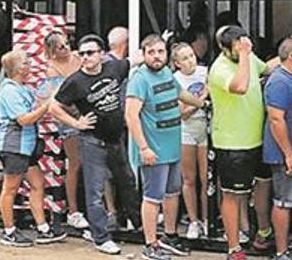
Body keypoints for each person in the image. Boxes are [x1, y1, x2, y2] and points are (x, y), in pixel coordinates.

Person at [50, 34, 142, 255]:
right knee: (95, 191)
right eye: (81, 53)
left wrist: (162, 44)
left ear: (102, 54)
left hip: (115, 139)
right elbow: (53, 106)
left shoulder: (115, 68)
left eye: (90, 53)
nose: (85, 57)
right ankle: (101, 237)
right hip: (92, 141)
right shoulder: (75, 81)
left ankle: (141, 226)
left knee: (127, 182)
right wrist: (76, 123)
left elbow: (135, 59)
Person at [126, 34, 206, 259]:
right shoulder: (139, 79)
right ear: (143, 55)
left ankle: (169, 236)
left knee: (172, 193)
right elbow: (131, 115)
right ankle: (150, 244)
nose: (156, 56)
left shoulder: (167, 74)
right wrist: (143, 148)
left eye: (160, 51)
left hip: (172, 146)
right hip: (153, 150)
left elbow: (179, 93)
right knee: (152, 197)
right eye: (151, 52)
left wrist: (203, 102)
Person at [208, 26, 278, 260]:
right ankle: (234, 247)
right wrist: (246, 55)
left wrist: (289, 54)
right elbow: (240, 86)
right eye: (237, 47)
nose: (243, 50)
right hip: (232, 143)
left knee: (262, 185)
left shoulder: (248, 58)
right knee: (232, 195)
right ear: (225, 48)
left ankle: (263, 232)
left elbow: (266, 68)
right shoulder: (219, 68)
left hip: (257, 137)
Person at [0, 50, 66, 247]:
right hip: (14, 146)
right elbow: (25, 119)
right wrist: (47, 106)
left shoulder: (23, 88)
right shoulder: (9, 90)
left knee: (38, 184)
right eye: (26, 63)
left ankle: (43, 228)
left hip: (26, 146)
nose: (29, 66)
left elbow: (38, 103)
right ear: (18, 69)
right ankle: (9, 231)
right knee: (10, 188)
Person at [263, 37, 292, 260]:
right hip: (283, 154)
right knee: (283, 201)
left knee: (288, 200)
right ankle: (281, 252)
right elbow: (276, 120)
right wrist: (289, 155)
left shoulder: (290, 78)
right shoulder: (280, 81)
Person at [37, 31, 88, 230]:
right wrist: (77, 114)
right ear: (52, 51)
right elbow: (60, 100)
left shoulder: (78, 56)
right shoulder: (52, 69)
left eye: (67, 43)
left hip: (87, 110)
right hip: (70, 117)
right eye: (60, 46)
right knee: (75, 163)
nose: (66, 48)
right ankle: (73, 210)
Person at [171, 42, 210, 240]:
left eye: (192, 56)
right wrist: (201, 101)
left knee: (206, 179)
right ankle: (193, 221)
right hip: (186, 130)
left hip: (206, 128)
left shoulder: (205, 73)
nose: (190, 61)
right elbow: (182, 114)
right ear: (177, 63)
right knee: (189, 178)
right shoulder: (175, 79)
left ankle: (206, 219)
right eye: (185, 58)